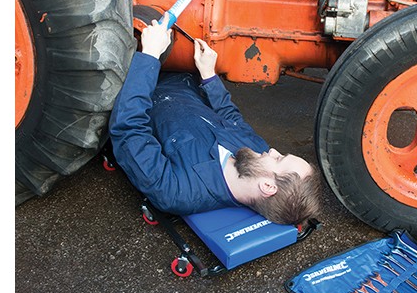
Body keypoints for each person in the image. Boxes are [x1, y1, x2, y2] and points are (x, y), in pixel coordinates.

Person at [109, 19, 322, 226]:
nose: (273, 150)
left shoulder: (178, 191)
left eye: (279, 159)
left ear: (267, 186)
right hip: (182, 78)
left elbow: (128, 128)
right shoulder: (255, 152)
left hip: (127, 82)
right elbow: (232, 118)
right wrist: (209, 75)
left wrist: (150, 56)